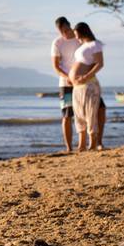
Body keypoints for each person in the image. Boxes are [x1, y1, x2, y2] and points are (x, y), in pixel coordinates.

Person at [68, 22, 105, 151]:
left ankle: (93, 143)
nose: (75, 36)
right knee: (79, 114)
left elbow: (100, 64)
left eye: (77, 34)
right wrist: (71, 78)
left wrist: (85, 76)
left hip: (89, 84)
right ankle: (81, 144)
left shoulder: (95, 44)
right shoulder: (82, 46)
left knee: (90, 113)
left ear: (83, 32)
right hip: (77, 86)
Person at [50, 17, 80, 152]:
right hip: (65, 83)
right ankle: (69, 148)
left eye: (66, 30)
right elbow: (56, 66)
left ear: (70, 25)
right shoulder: (57, 43)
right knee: (67, 115)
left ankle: (83, 145)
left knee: (82, 114)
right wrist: (68, 77)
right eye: (61, 31)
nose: (64, 33)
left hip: (81, 81)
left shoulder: (79, 38)